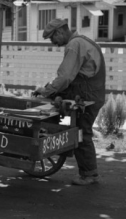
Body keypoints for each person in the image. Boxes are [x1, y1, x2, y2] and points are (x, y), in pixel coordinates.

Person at [34, 18, 106, 186]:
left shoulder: (74, 45)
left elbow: (65, 78)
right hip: (90, 96)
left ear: (59, 32)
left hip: (86, 99)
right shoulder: (84, 41)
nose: (54, 43)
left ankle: (89, 174)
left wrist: (46, 91)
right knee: (75, 129)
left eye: (53, 39)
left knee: (80, 133)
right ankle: (69, 151)